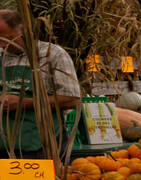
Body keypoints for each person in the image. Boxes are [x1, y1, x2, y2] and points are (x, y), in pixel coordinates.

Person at [0, 9, 82, 157]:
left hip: (42, 146)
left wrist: (23, 103)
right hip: (4, 146)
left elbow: (72, 100)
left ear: (23, 30)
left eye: (7, 39)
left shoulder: (52, 54)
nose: (2, 45)